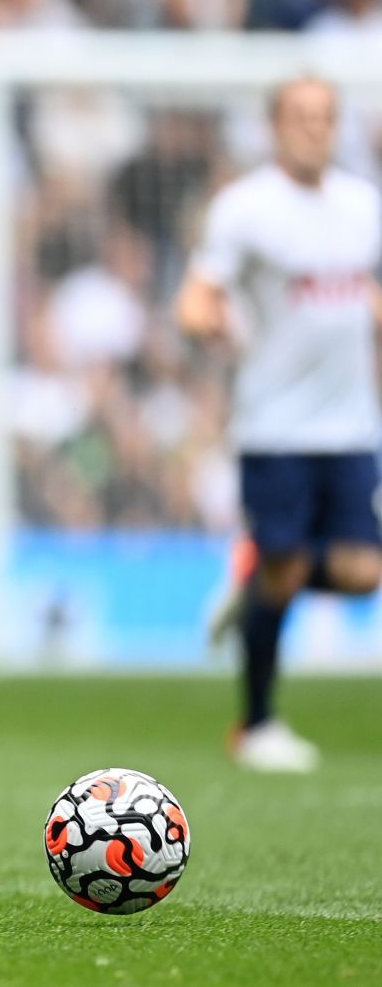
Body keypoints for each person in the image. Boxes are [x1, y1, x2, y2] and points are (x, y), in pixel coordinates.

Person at [177, 76, 382, 773]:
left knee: (361, 574)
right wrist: (203, 319)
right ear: (274, 125)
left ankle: (257, 571)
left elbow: (363, 290)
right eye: (301, 116)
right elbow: (198, 293)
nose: (314, 128)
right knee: (289, 569)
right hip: (275, 423)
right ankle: (256, 722)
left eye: (325, 116)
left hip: (351, 424)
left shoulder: (362, 206)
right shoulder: (246, 209)